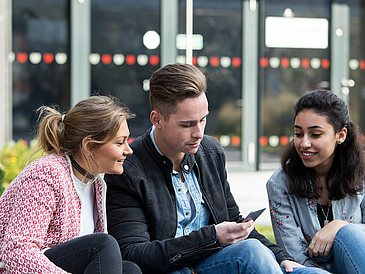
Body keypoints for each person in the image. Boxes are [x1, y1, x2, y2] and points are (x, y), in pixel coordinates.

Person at [105, 63, 329, 274]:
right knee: (250, 252)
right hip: (174, 270)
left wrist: (280, 257)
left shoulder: (210, 151)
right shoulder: (129, 168)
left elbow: (234, 219)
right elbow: (132, 255)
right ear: (157, 119)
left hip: (217, 262)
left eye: (203, 120)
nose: (199, 133)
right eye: (187, 124)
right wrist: (212, 237)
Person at [0, 95, 142, 274]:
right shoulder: (46, 174)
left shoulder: (96, 183)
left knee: (130, 270)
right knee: (102, 245)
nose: (129, 150)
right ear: (89, 146)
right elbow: (16, 252)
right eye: (120, 142)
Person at [267, 89, 365, 273]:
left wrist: (340, 227)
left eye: (315, 134)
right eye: (298, 134)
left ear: (341, 135)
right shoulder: (279, 184)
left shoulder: (363, 171)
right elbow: (294, 256)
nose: (304, 143)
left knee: (349, 234)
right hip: (311, 271)